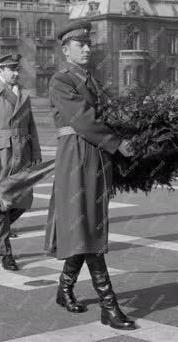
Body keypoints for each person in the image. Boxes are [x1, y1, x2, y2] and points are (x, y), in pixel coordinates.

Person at [44, 21, 137, 330]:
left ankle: (64, 288)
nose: (86, 49)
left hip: (94, 157)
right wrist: (117, 143)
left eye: (88, 44)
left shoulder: (91, 80)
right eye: (79, 45)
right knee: (86, 225)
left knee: (88, 225)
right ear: (65, 49)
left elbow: (105, 114)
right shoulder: (62, 80)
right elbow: (84, 120)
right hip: (77, 158)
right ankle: (109, 306)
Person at [0, 53, 42, 270]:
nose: (16, 73)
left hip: (23, 156)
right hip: (1, 156)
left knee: (22, 202)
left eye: (17, 69)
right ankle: (6, 253)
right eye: (11, 69)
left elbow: (31, 125)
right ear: (0, 70)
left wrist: (36, 153)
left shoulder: (22, 93)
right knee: (2, 206)